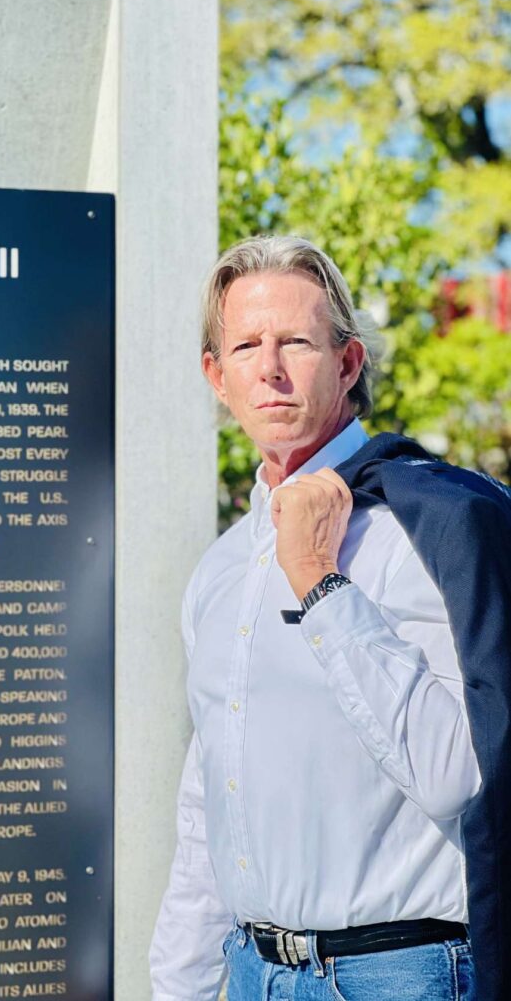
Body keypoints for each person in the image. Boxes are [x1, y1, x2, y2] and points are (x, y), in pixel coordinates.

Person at [149, 235, 487, 1001]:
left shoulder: (430, 527)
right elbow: (209, 804)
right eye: (244, 346)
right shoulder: (221, 568)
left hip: (400, 974)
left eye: (294, 342)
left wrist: (320, 584)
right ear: (216, 375)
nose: (267, 369)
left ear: (346, 364)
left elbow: (456, 779)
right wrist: (180, 985)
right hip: (250, 974)